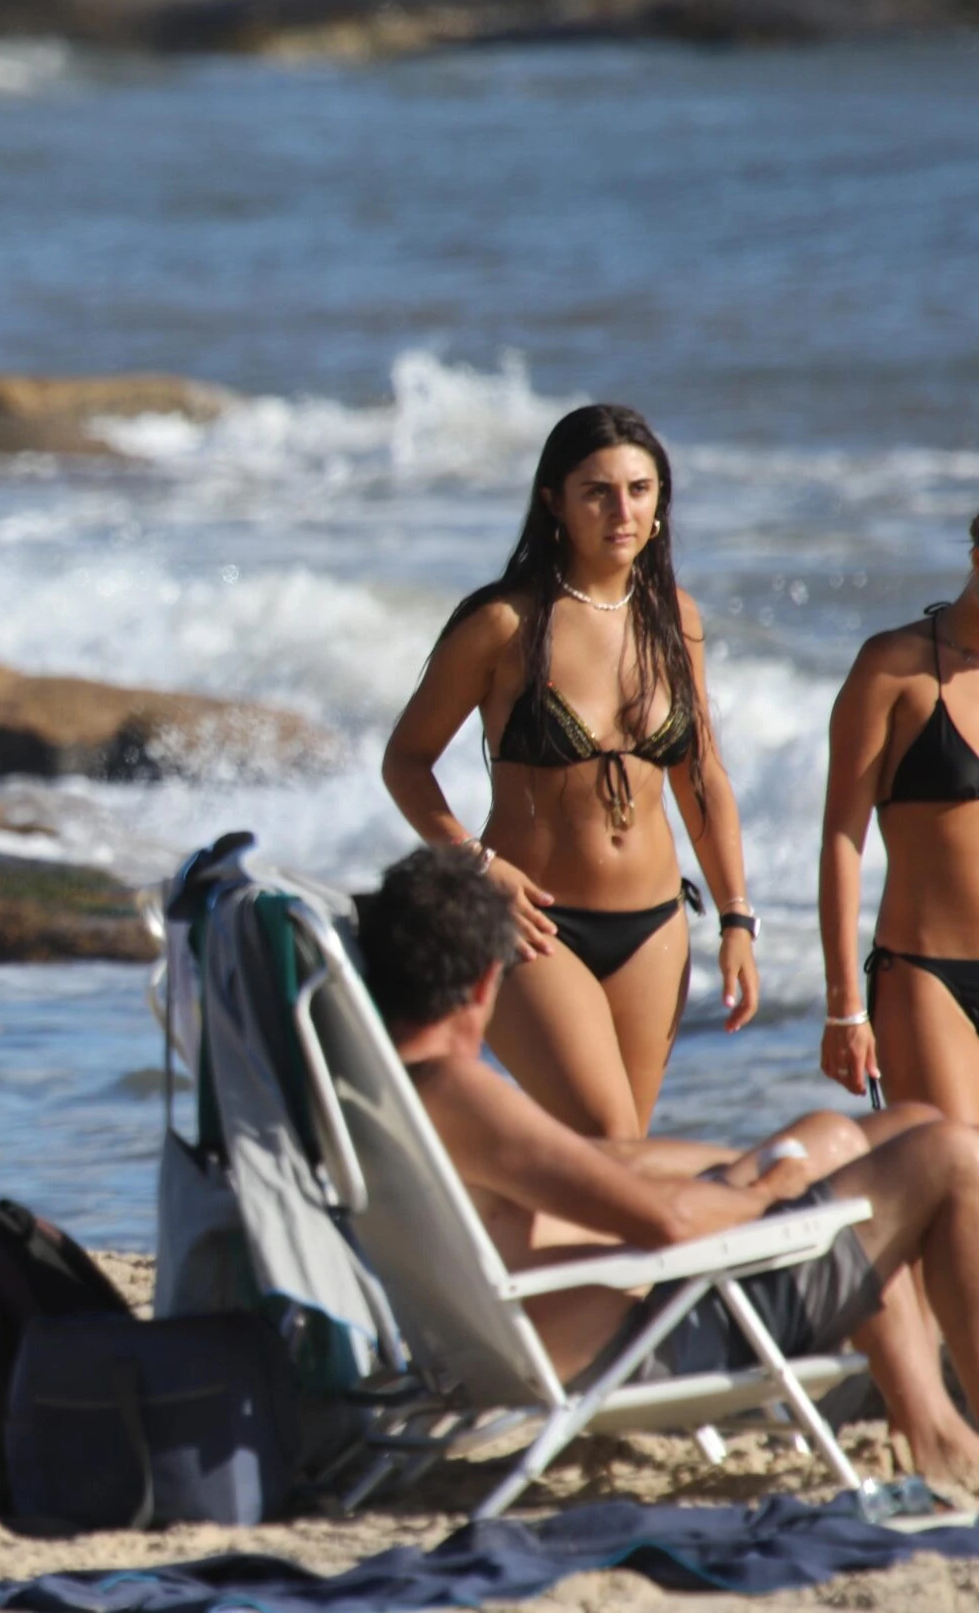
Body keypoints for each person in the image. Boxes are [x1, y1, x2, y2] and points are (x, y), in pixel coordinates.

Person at [357, 845, 979, 1488]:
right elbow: (670, 1223)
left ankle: (926, 1422)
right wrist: (770, 1187)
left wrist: (737, 1165)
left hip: (554, 1334)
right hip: (656, 1341)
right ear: (488, 980)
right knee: (951, 1156)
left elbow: (599, 1162)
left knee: (889, 1129)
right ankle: (935, 1431)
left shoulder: (391, 1093)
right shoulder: (462, 1096)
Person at [383, 403, 760, 1140]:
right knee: (605, 1130)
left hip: (654, 926)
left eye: (641, 489)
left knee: (621, 1152)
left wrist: (737, 915)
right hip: (532, 926)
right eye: (598, 491)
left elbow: (701, 775)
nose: (623, 509)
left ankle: (530, 1249)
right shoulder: (504, 623)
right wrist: (472, 861)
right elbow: (405, 760)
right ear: (554, 501)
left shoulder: (673, 617)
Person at [820, 513, 979, 1120]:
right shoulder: (892, 668)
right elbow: (841, 837)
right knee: (957, 1181)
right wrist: (844, 1006)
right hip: (927, 978)